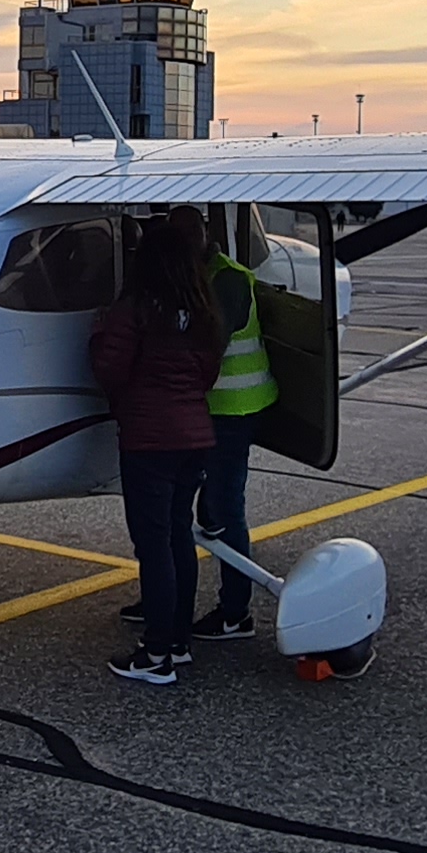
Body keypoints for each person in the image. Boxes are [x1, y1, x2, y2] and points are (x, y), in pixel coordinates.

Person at [89, 211, 224, 685]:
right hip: (195, 436)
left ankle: (157, 652)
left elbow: (110, 368)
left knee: (154, 546)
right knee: (178, 535)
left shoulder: (135, 309)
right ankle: (179, 641)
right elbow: (208, 373)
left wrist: (97, 337)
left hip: (149, 440)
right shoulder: (201, 310)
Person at [193, 207, 276, 641]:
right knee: (205, 508)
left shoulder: (227, 279)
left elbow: (210, 346)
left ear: (205, 237)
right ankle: (164, 602)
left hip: (235, 409)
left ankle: (235, 612)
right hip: (207, 409)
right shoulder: (198, 276)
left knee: (226, 507)